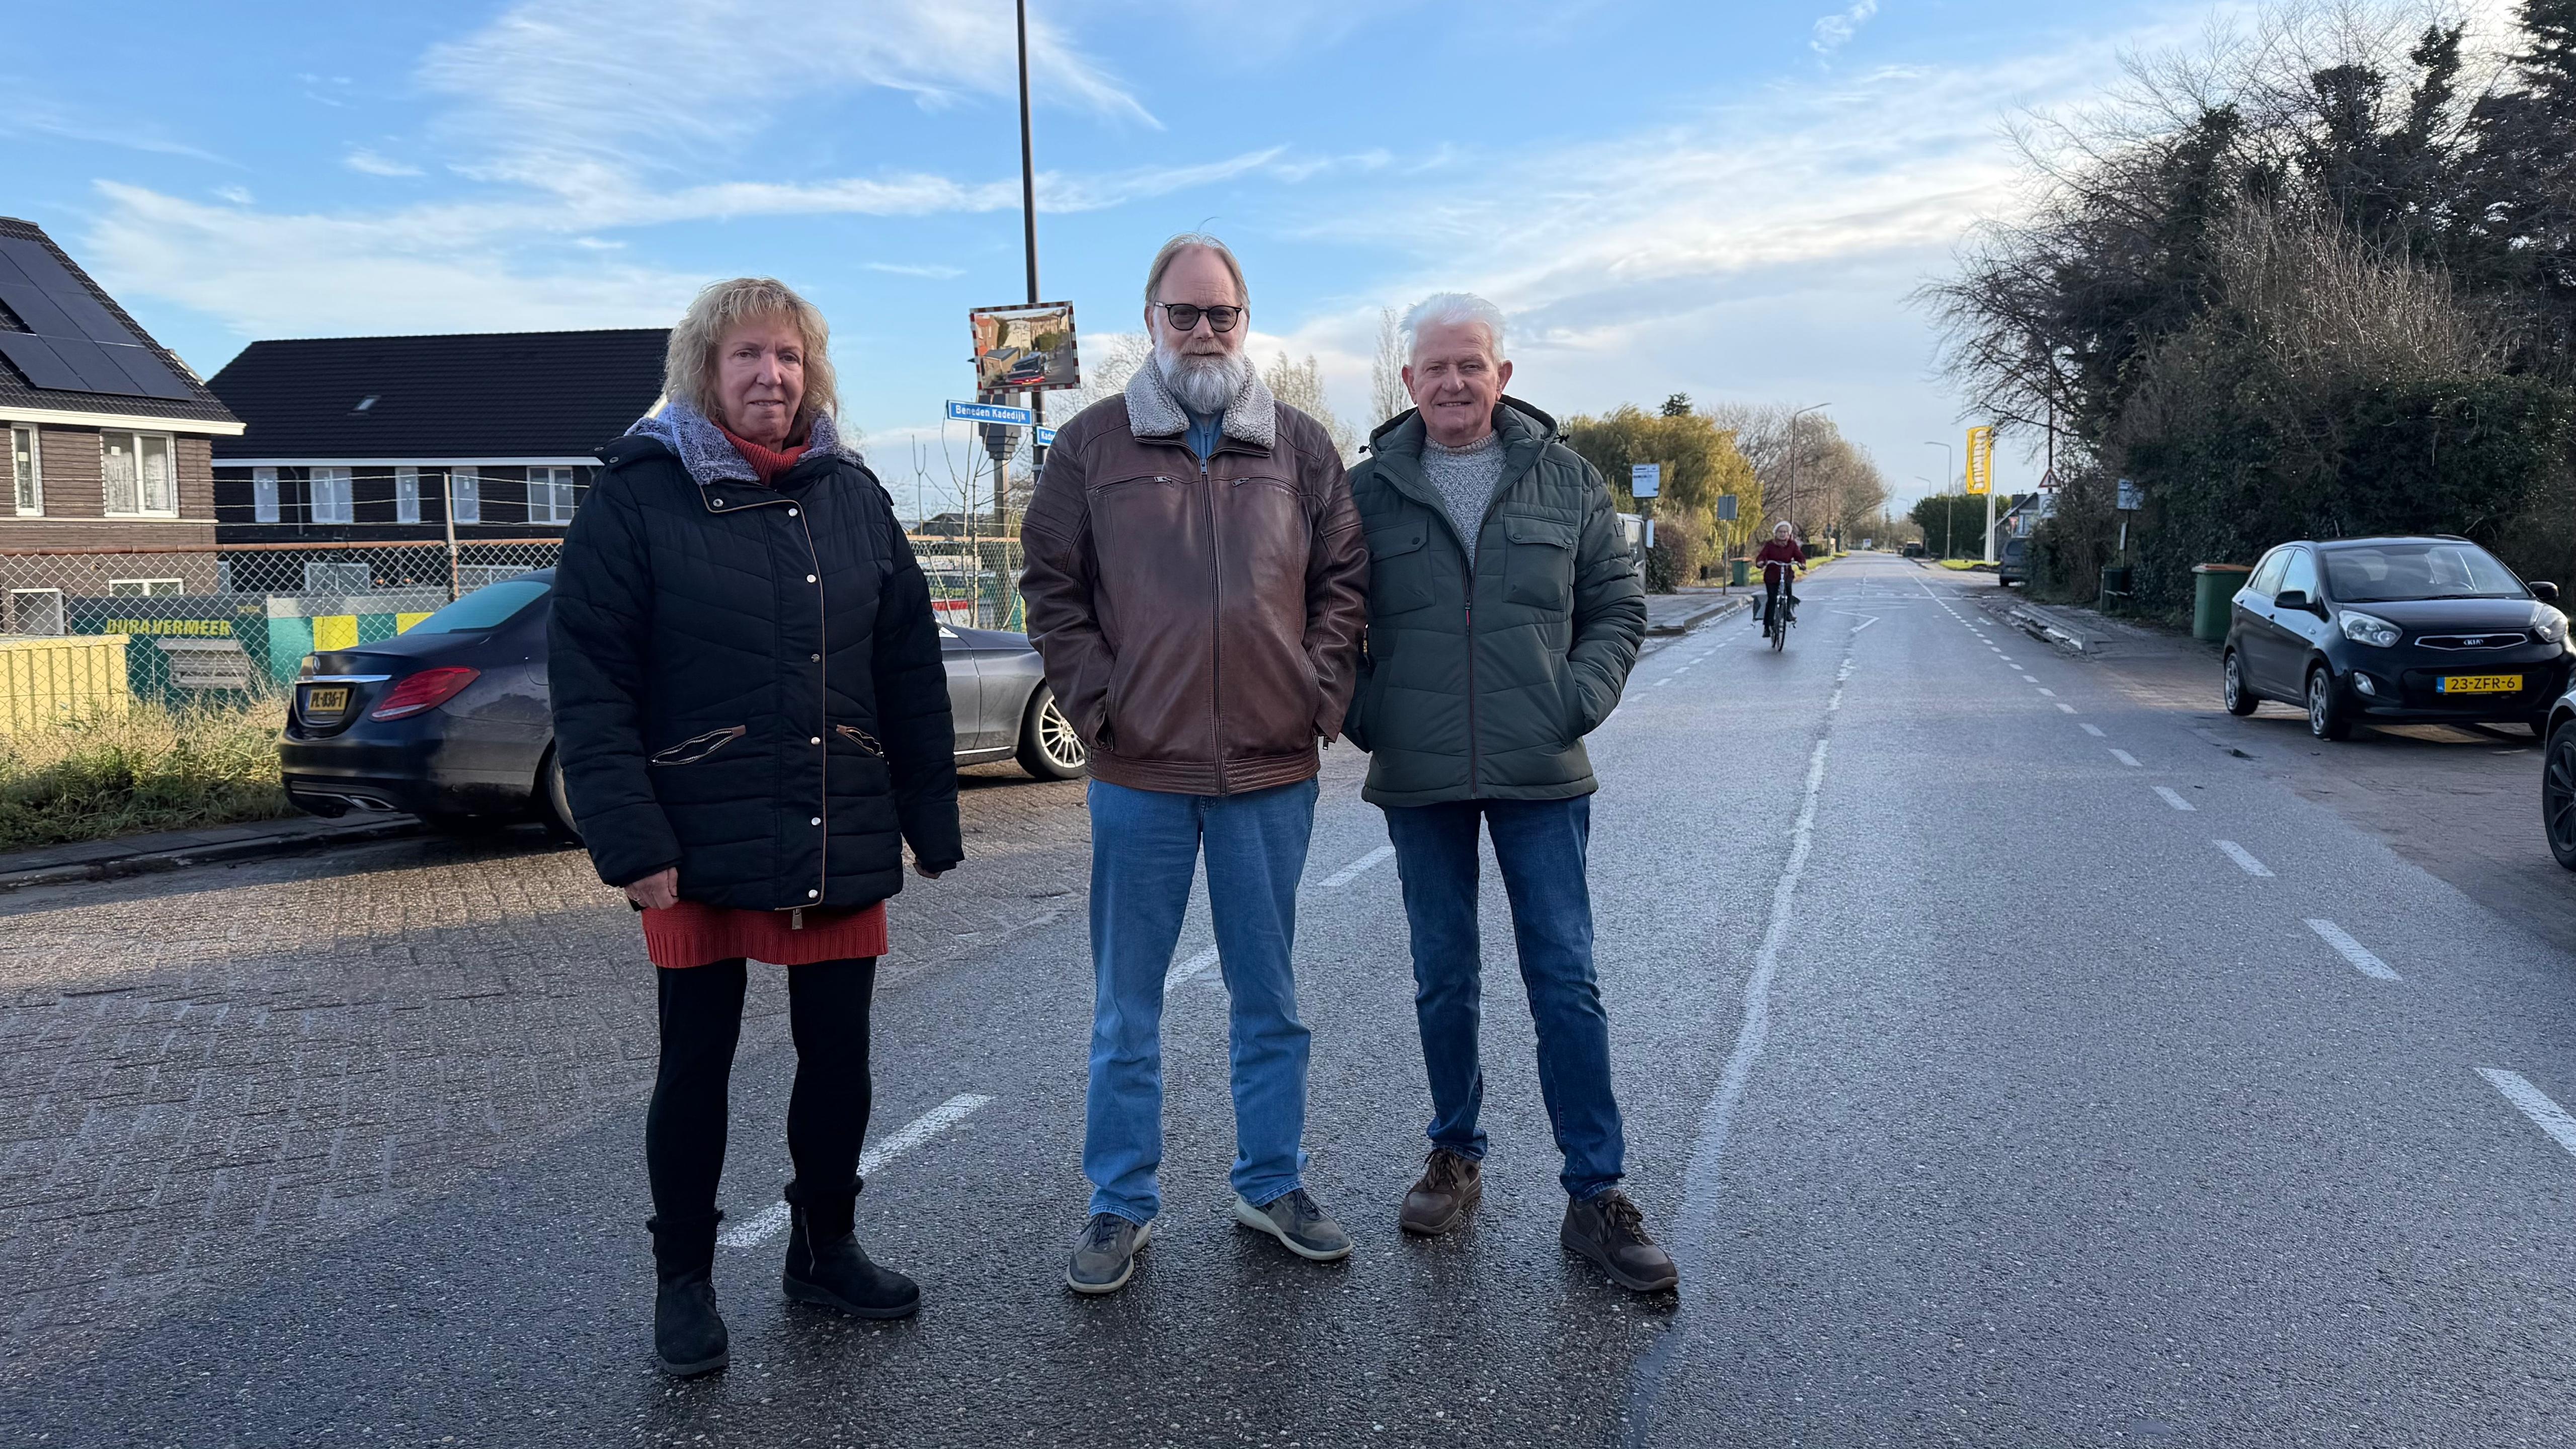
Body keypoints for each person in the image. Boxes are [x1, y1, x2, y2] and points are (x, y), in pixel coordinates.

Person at [551, 277, 963, 1378]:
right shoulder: (638, 497)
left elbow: (907, 666)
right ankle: (682, 1283)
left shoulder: (855, 496)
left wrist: (928, 813)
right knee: (697, 1064)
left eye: (788, 356)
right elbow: (590, 687)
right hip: (695, 837)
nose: (770, 376)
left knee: (840, 1060)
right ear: (704, 370)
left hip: (837, 824)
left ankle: (826, 1252)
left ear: (811, 369)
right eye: (746, 357)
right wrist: (632, 843)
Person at [1020, 233, 1370, 1296]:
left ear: (1245, 321)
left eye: (1221, 314)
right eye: (1185, 314)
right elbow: (1052, 588)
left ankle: (1271, 1184)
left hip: (1271, 772)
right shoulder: (1089, 449)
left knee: (1270, 997)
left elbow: (1343, 586)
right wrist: (1102, 705)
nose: (1204, 331)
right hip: (1139, 776)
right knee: (1127, 1007)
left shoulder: (1302, 450)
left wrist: (1315, 697)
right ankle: (1119, 1203)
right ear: (1152, 322)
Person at [1340, 292, 1673, 1294]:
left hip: (1541, 772)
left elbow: (1618, 605)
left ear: (1502, 376)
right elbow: (1323, 619)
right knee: (1444, 975)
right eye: (1434, 367)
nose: (1452, 382)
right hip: (1420, 773)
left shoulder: (1566, 479)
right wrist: (1373, 715)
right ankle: (1455, 1154)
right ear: (1408, 384)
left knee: (1564, 977)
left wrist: (1574, 699)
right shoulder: (1364, 493)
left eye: (1470, 365)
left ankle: (1595, 1191)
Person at [1754, 522, 1806, 637]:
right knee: (1772, 599)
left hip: (1786, 573)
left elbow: (1799, 556)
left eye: (1785, 532)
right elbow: (1763, 555)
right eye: (1780, 532)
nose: (1783, 534)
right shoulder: (1770, 545)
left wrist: (1802, 563)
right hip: (1772, 574)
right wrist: (1760, 562)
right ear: (1776, 533)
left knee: (1788, 589)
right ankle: (1767, 626)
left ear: (1789, 534)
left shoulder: (1792, 545)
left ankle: (1788, 612)